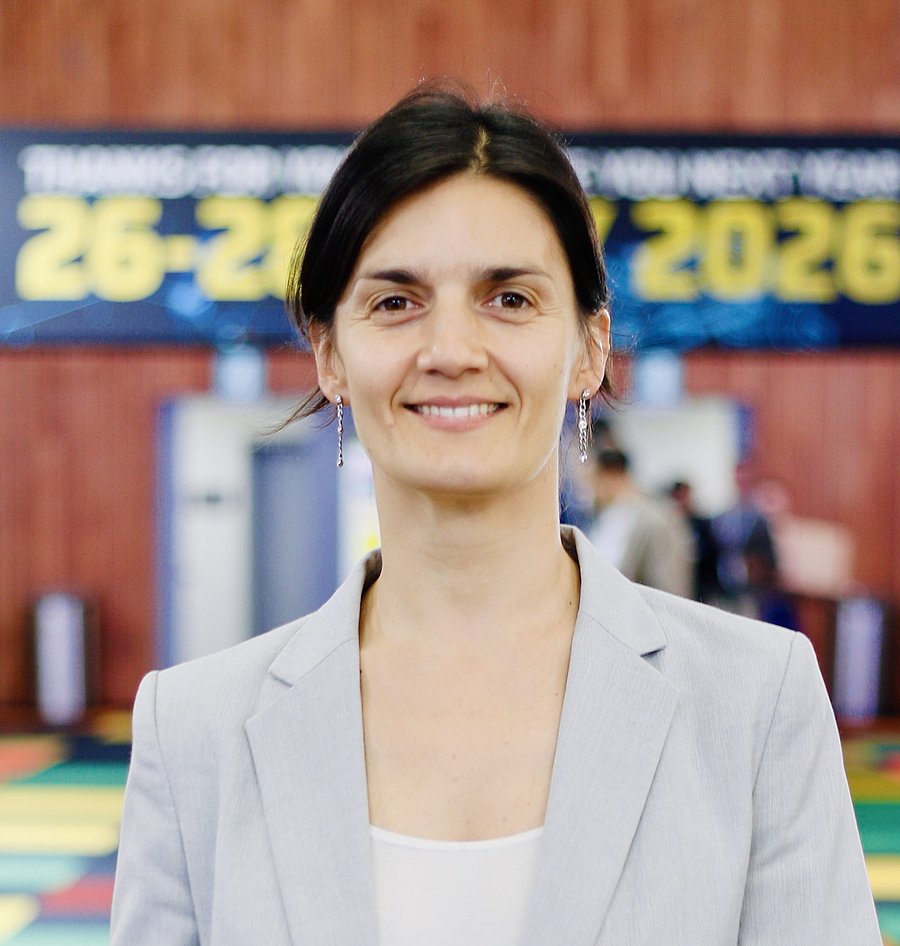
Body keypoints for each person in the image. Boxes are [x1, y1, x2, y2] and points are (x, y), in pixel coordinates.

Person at [111, 85, 880, 946]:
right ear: (329, 353)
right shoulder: (192, 732)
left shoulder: (754, 702)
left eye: (509, 298)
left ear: (589, 348)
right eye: (395, 301)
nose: (451, 352)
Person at [586, 448, 694, 598]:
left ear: (610, 476)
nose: (592, 490)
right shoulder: (606, 517)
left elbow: (668, 585)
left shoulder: (657, 518)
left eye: (594, 481)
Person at [668, 479, 722, 603]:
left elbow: (712, 552)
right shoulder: (668, 526)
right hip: (676, 583)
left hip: (701, 583)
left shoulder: (701, 523)